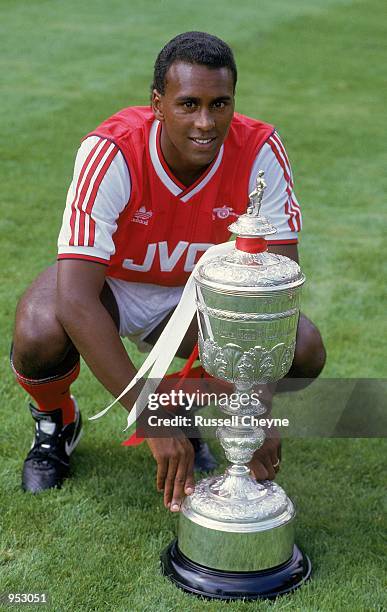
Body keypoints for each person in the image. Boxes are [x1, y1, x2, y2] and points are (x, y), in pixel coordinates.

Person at [11, 32, 326, 511]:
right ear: (157, 103)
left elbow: (274, 299)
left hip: (199, 299)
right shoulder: (112, 150)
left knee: (300, 346)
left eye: (220, 104)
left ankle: (184, 405)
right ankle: (56, 420)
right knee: (39, 328)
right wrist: (147, 416)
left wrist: (254, 412)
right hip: (113, 288)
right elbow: (76, 297)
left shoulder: (260, 150)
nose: (206, 122)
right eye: (188, 104)